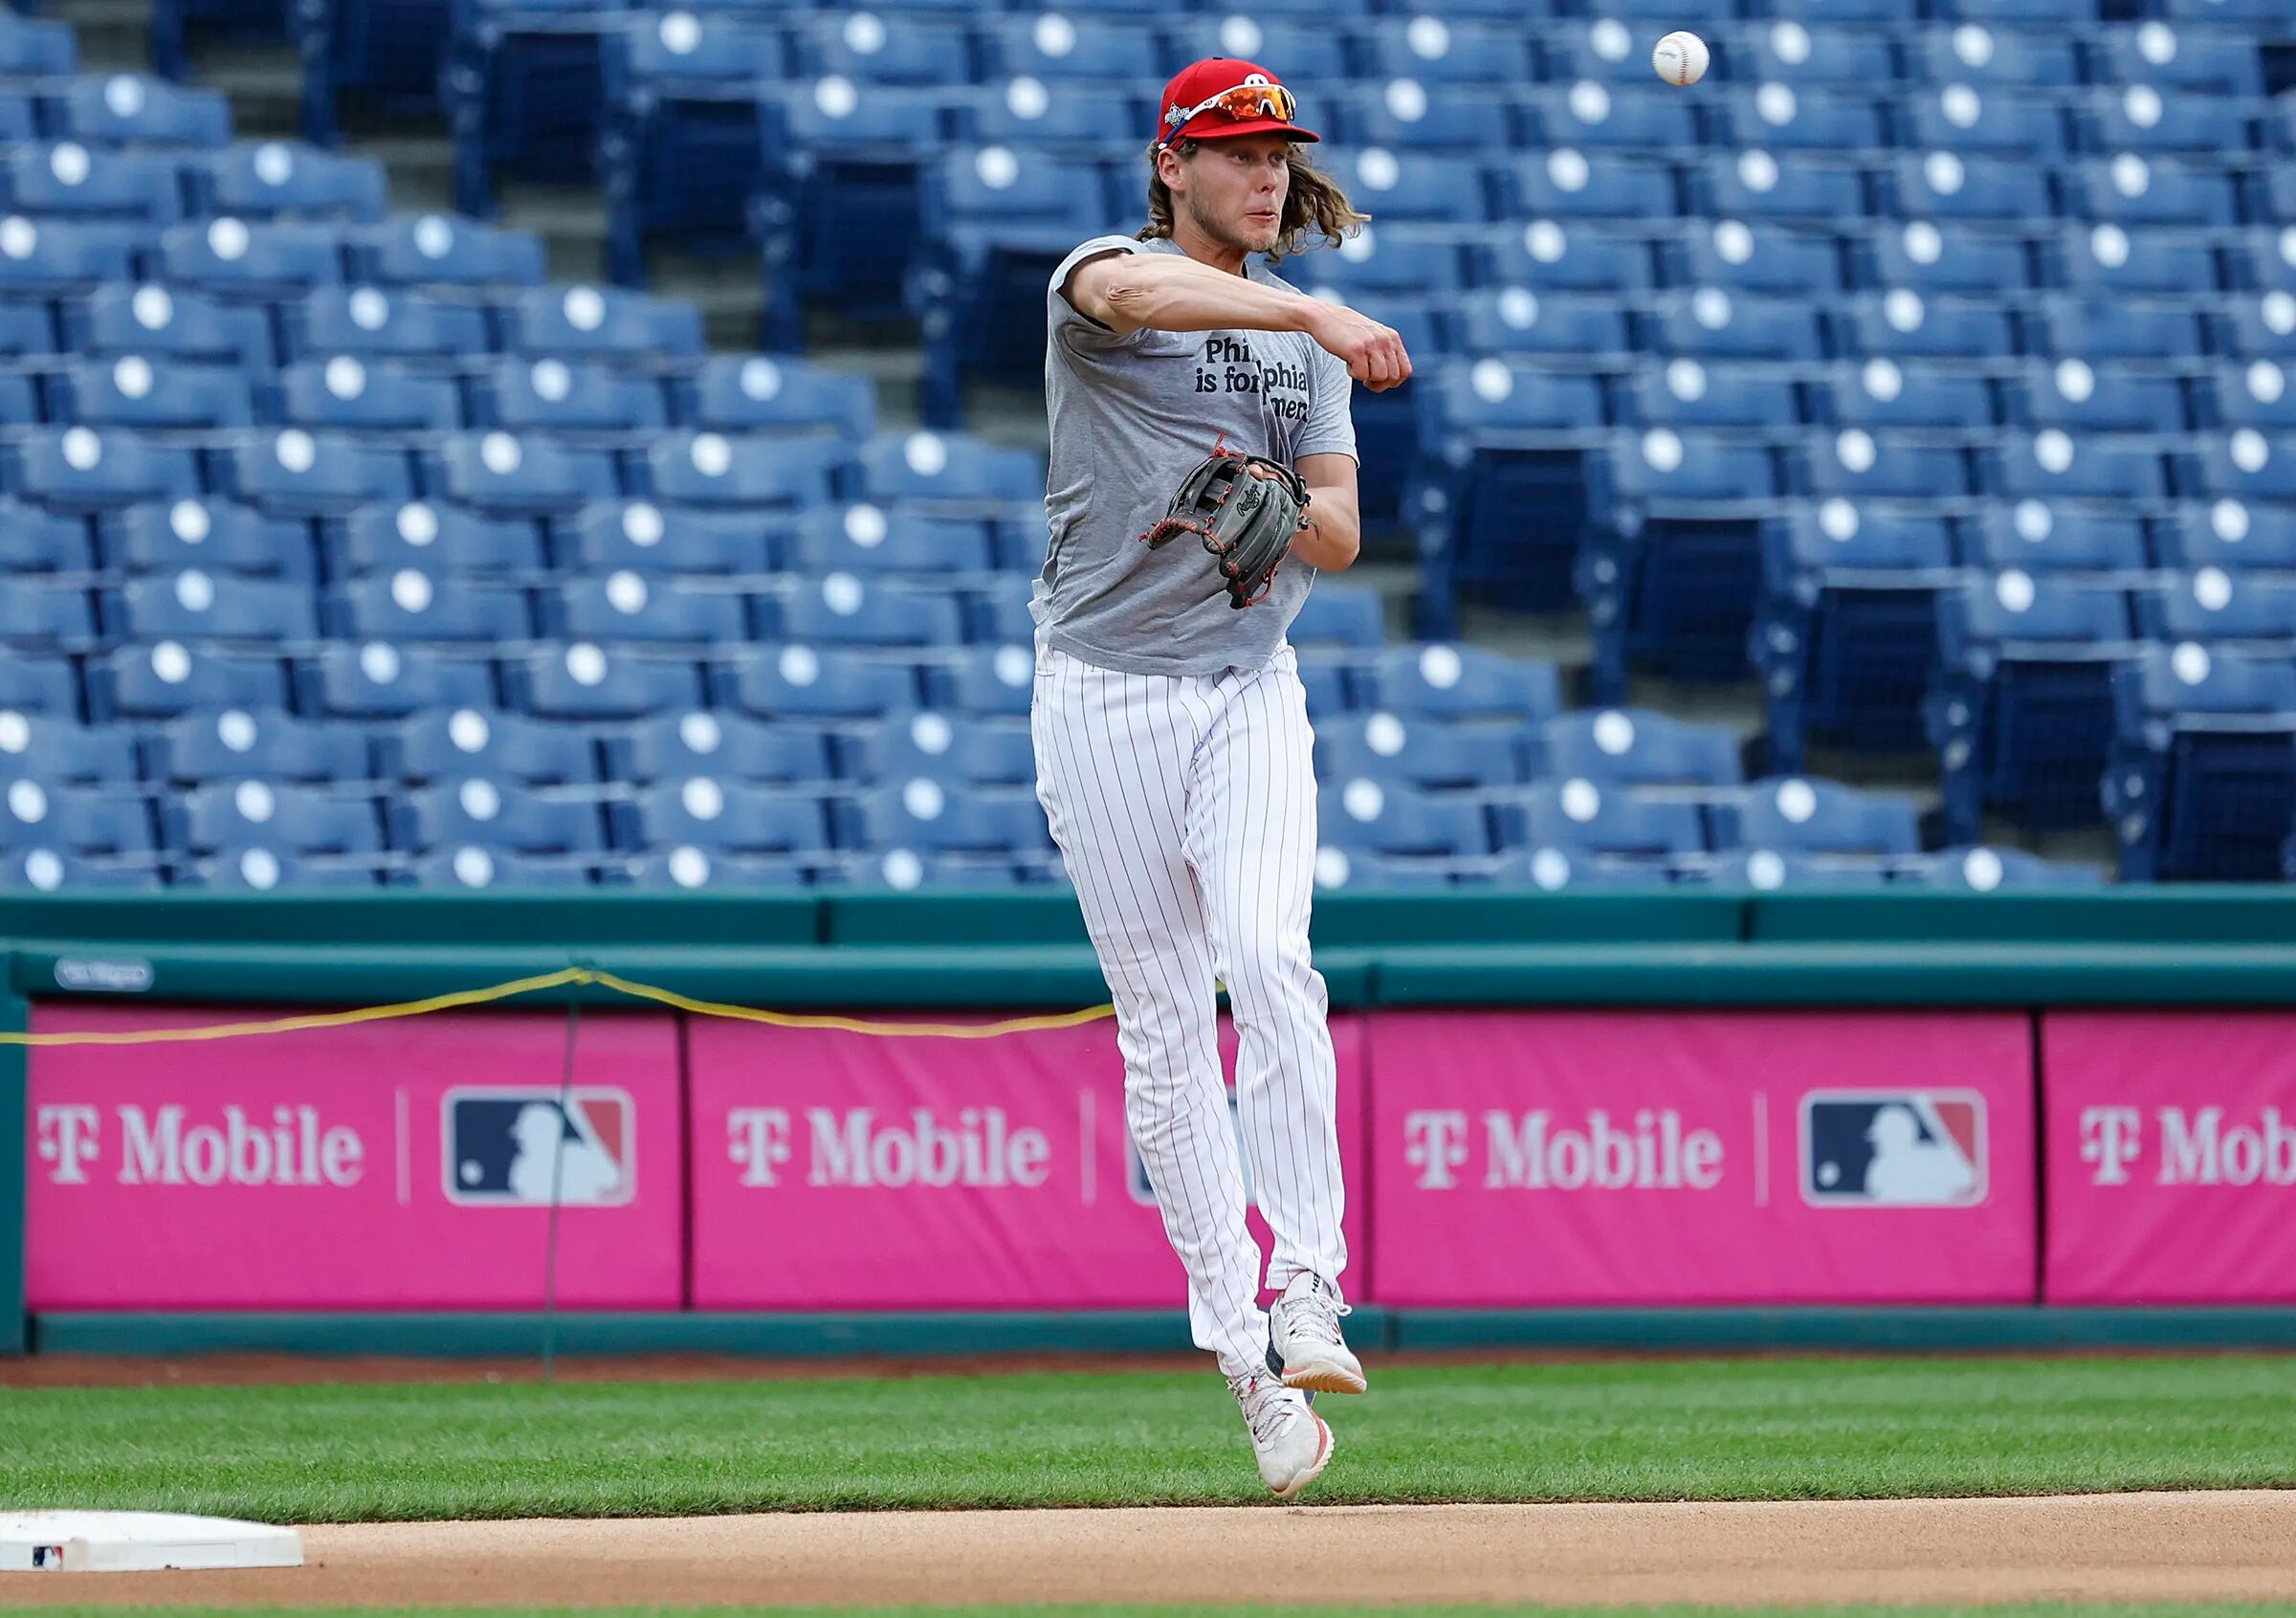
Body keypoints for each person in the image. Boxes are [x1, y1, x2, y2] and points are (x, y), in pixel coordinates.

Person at [1028, 55, 1412, 1499]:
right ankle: (1245, 1358)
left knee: (1273, 958)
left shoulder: (1304, 349)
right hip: (1103, 696)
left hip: (1248, 689)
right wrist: (1306, 300)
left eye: (1277, 155)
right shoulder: (1105, 277)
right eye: (1235, 153)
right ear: (1172, 164)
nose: (1264, 174)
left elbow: (1339, 535)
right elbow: (1138, 302)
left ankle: (1308, 1285)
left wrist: (1276, 510)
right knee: (1165, 1037)